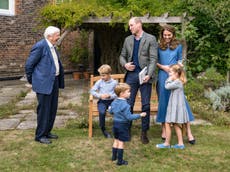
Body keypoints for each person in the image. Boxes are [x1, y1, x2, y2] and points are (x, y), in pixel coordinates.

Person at [119, 17, 158, 144]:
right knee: (128, 104)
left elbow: (153, 59)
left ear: (139, 24)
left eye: (131, 25)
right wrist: (125, 65)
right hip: (131, 76)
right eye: (129, 26)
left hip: (145, 77)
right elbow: (122, 56)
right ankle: (127, 130)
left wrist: (149, 74)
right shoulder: (128, 40)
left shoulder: (151, 39)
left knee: (145, 104)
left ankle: (144, 132)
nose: (129, 28)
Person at [156, 24, 195, 144]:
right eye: (165, 35)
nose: (167, 37)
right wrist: (163, 67)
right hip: (163, 75)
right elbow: (155, 61)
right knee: (164, 102)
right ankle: (164, 129)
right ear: (162, 35)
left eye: (169, 35)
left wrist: (178, 66)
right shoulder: (158, 46)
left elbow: (179, 60)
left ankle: (188, 132)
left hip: (175, 76)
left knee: (182, 102)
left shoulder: (178, 46)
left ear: (173, 35)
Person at [25, 26, 64, 144]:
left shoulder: (52, 46)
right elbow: (29, 65)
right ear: (50, 36)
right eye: (57, 35)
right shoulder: (40, 46)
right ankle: (40, 135)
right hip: (43, 83)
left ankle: (47, 132)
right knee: (44, 110)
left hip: (54, 81)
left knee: (52, 108)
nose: (58, 37)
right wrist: (33, 81)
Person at [108, 83, 146, 165]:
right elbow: (129, 117)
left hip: (115, 124)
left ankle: (114, 157)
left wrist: (110, 108)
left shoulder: (114, 102)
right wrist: (140, 115)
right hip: (122, 125)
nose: (130, 93)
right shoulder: (126, 105)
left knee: (116, 140)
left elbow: (111, 111)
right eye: (128, 92)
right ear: (122, 94)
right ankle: (120, 161)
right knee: (121, 142)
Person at [156, 64, 191, 149]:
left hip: (176, 108)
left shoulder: (177, 82)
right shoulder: (178, 82)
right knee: (175, 124)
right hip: (175, 107)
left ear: (176, 73)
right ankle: (180, 144)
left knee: (167, 123)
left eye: (170, 72)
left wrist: (168, 79)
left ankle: (167, 144)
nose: (169, 74)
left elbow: (167, 86)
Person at [90, 64, 118, 138]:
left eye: (104, 75)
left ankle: (116, 129)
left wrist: (110, 95)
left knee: (117, 111)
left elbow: (118, 93)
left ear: (109, 74)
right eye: (101, 75)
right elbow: (92, 91)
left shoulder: (114, 83)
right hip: (102, 101)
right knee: (102, 112)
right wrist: (100, 95)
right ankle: (103, 130)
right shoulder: (100, 82)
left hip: (112, 101)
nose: (102, 77)